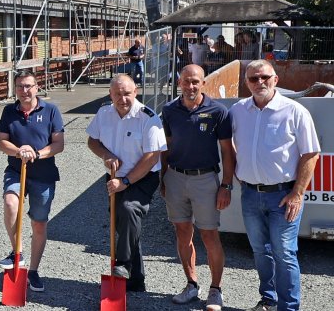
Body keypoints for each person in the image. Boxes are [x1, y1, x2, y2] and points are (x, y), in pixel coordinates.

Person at [230, 60, 320, 311]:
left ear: (275, 79)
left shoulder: (294, 111)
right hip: (250, 194)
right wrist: (242, 170)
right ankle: (268, 299)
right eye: (253, 79)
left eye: (264, 77)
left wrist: (297, 193)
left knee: (284, 253)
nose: (259, 82)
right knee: (260, 251)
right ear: (246, 83)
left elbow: (310, 154)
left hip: (283, 196)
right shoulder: (238, 110)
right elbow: (230, 145)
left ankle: (289, 307)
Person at [160, 65, 236, 310]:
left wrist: (226, 185)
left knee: (209, 235)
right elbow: (167, 147)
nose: (190, 86)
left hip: (206, 180)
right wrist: (163, 178)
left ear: (203, 83)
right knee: (183, 233)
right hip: (175, 178)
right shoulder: (169, 110)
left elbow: (227, 151)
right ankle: (191, 284)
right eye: (186, 81)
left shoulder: (218, 111)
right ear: (179, 82)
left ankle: (215, 290)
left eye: (195, 81)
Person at [86, 74, 166, 292]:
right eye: (117, 94)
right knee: (125, 225)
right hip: (113, 176)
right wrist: (105, 154)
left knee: (128, 210)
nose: (122, 99)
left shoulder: (148, 118)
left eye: (127, 93)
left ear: (136, 92)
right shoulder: (104, 113)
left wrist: (126, 181)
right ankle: (135, 280)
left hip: (142, 176)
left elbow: (152, 156)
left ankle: (122, 264)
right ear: (110, 94)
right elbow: (92, 141)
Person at [0, 70, 65, 292]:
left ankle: (33, 271)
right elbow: (2, 142)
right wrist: (20, 151)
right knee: (10, 203)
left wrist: (36, 153)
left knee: (39, 223)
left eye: (28, 86)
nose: (24, 91)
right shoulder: (9, 111)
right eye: (19, 87)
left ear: (37, 87)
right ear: (15, 89)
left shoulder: (51, 110)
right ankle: (18, 252)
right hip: (16, 169)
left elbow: (58, 144)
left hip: (43, 174)